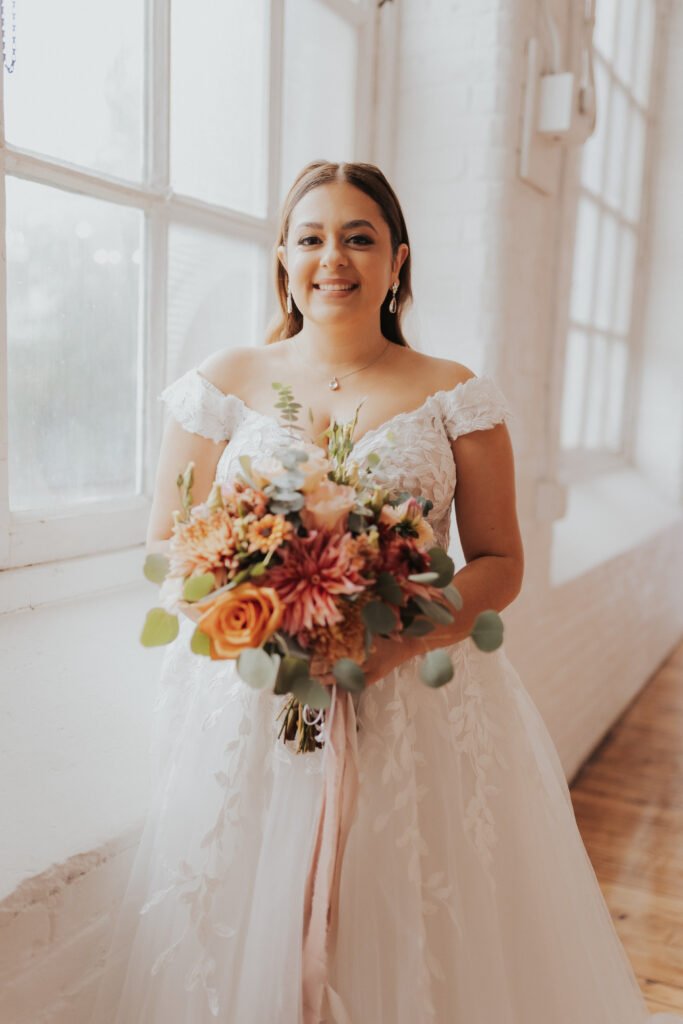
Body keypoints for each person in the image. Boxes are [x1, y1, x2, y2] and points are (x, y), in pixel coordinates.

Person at [90, 160, 681, 1023]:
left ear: (397, 262)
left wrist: (390, 639)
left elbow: (498, 561)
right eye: (312, 237)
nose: (335, 257)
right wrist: (262, 624)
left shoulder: (453, 395)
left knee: (402, 920)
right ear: (283, 260)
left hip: (412, 700)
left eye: (359, 237)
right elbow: (164, 547)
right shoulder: (225, 382)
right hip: (253, 707)